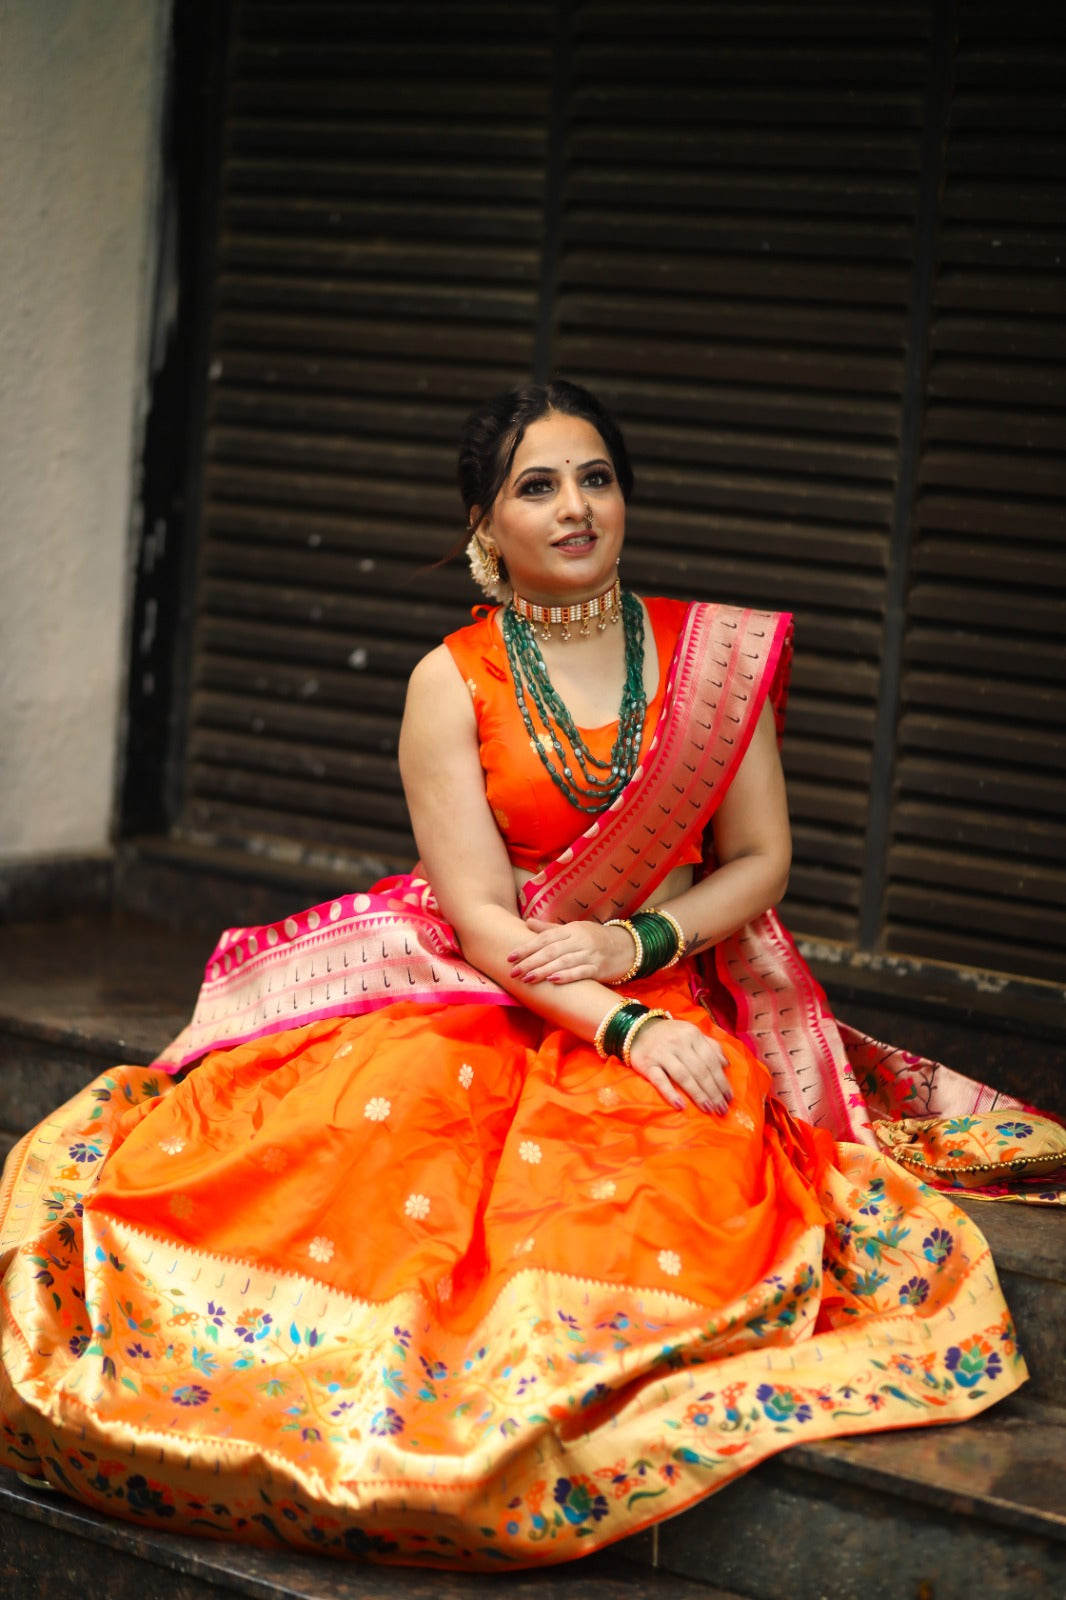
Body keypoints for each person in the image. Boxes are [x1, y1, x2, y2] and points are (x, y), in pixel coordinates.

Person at [0, 382, 1042, 1569]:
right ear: (484, 525)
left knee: (668, 1181)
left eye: (594, 477)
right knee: (354, 1142)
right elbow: (485, 920)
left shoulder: (710, 655)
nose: (575, 507)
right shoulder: (451, 679)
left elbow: (761, 860)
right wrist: (621, 1027)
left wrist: (638, 952)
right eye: (536, 486)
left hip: (661, 971)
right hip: (485, 977)